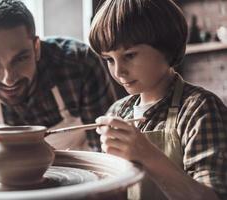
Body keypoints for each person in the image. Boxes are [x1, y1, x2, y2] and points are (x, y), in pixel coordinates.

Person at [0, 0, 117, 156]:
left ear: (36, 48)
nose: (9, 79)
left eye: (20, 59)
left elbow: (107, 152)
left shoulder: (79, 62)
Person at [89, 0, 226, 199]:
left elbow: (214, 197)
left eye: (130, 55)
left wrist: (147, 155)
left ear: (167, 47)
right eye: (109, 59)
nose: (118, 72)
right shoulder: (117, 112)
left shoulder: (198, 109)